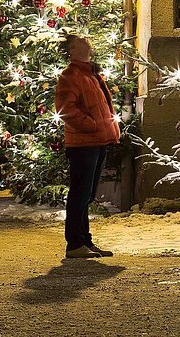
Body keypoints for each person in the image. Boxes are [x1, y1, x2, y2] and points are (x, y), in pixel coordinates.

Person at [55, 34, 121, 259]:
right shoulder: (71, 75)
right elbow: (66, 108)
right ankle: (74, 244)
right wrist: (91, 125)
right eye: (81, 40)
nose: (87, 41)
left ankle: (84, 241)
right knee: (80, 193)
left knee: (88, 194)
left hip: (97, 140)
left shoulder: (91, 74)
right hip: (84, 142)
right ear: (73, 50)